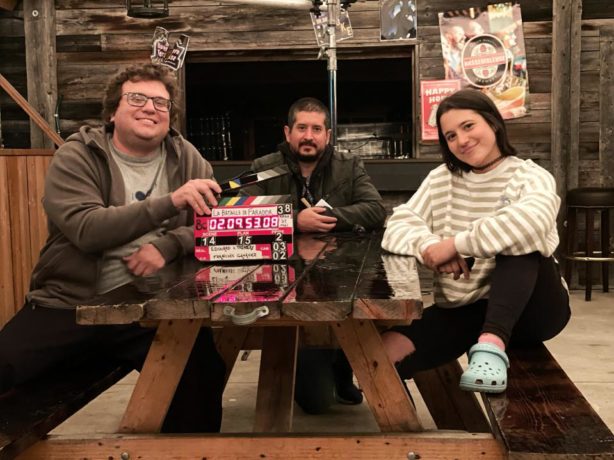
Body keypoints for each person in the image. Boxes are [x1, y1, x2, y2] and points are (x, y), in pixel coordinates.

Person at [0, 63, 226, 432]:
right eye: (137, 98)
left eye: (161, 102)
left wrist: (169, 246)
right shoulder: (78, 155)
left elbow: (215, 225)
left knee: (201, 373)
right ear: (112, 112)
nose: (150, 108)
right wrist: (170, 202)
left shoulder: (188, 158)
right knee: (5, 364)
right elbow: (87, 229)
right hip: (70, 303)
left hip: (149, 309)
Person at [381, 89, 570, 393]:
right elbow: (397, 225)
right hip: (465, 307)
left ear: (493, 123)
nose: (462, 140)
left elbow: (531, 222)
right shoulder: (441, 179)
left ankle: (492, 343)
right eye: (451, 136)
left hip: (533, 311)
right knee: (382, 355)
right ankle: (400, 431)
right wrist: (428, 247)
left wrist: (455, 244)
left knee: (519, 243)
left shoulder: (530, 175)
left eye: (468, 126)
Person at [244, 97, 386, 413]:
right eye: (302, 128)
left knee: (366, 314)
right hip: (283, 282)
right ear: (288, 131)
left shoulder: (349, 165)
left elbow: (375, 210)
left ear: (328, 135)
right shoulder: (262, 168)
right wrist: (294, 219)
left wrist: (329, 216)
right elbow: (241, 215)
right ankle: (318, 363)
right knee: (315, 403)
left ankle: (342, 363)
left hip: (341, 277)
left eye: (316, 129)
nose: (309, 136)